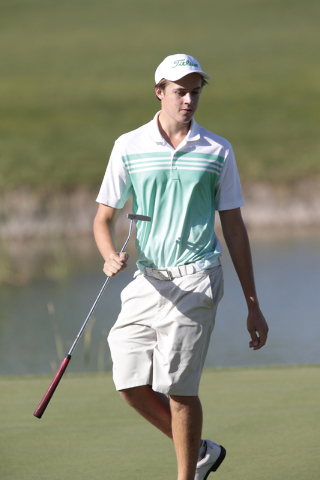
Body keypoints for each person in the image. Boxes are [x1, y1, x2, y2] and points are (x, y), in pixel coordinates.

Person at [93, 53, 269, 480]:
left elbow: (235, 230)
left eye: (195, 92)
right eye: (179, 91)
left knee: (179, 389)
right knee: (129, 381)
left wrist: (252, 304)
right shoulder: (128, 146)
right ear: (159, 92)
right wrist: (109, 255)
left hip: (197, 278)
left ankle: (186, 476)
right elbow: (102, 219)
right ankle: (201, 451)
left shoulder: (216, 150)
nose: (188, 100)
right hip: (146, 281)